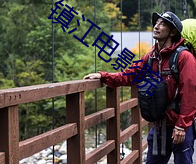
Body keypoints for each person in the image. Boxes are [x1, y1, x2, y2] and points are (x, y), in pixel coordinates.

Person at [84, 11, 196, 164]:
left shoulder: (184, 57)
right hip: (159, 124)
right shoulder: (151, 57)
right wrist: (103, 76)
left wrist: (182, 126)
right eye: (156, 23)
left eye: (162, 24)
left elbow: (190, 92)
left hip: (179, 125)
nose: (156, 26)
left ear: (173, 32)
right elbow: (129, 75)